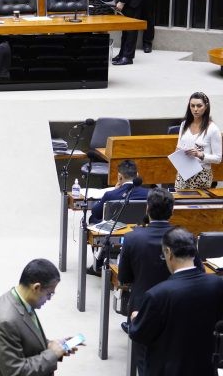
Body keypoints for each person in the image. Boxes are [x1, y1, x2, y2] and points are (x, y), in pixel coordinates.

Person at [117, 188, 203, 373]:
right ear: (172, 211)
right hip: (181, 305)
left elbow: (123, 277)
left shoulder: (131, 238)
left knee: (145, 361)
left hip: (142, 308)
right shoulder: (184, 237)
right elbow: (198, 271)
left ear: (147, 209)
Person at [129, 227, 223, 376]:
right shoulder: (217, 284)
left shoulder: (157, 295)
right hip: (206, 368)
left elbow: (139, 335)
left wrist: (136, 319)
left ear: (168, 253)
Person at [0, 258, 75, 376]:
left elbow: (24, 338)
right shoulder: (6, 321)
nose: (49, 299)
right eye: (49, 293)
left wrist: (51, 345)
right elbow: (16, 372)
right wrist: (52, 354)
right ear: (36, 287)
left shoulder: (21, 301)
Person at [174, 91, 222, 189]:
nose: (195, 109)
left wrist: (200, 154)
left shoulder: (213, 129)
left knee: (198, 203)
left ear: (206, 106)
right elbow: (178, 147)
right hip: (183, 171)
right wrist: (177, 154)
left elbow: (218, 158)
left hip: (201, 174)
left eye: (199, 106)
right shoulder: (184, 124)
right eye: (192, 106)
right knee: (179, 201)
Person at [88, 159, 148, 225]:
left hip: (115, 230)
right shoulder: (149, 194)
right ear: (137, 175)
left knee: (93, 218)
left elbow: (96, 214)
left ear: (120, 177)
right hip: (139, 228)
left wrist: (115, 191)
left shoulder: (110, 195)